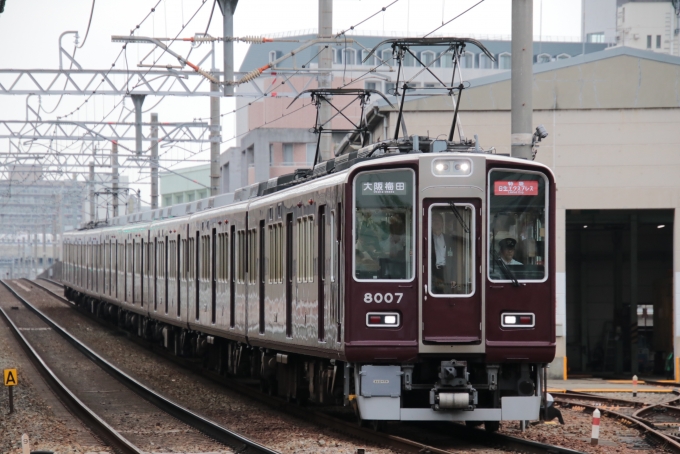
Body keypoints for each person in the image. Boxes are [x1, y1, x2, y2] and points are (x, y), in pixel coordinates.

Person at [430, 214, 457, 293]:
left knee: (445, 295)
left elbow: (453, 260)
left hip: (446, 271)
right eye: (434, 220)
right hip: (432, 272)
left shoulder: (449, 239)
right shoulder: (427, 238)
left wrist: (453, 278)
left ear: (442, 223)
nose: (436, 222)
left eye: (438, 220)